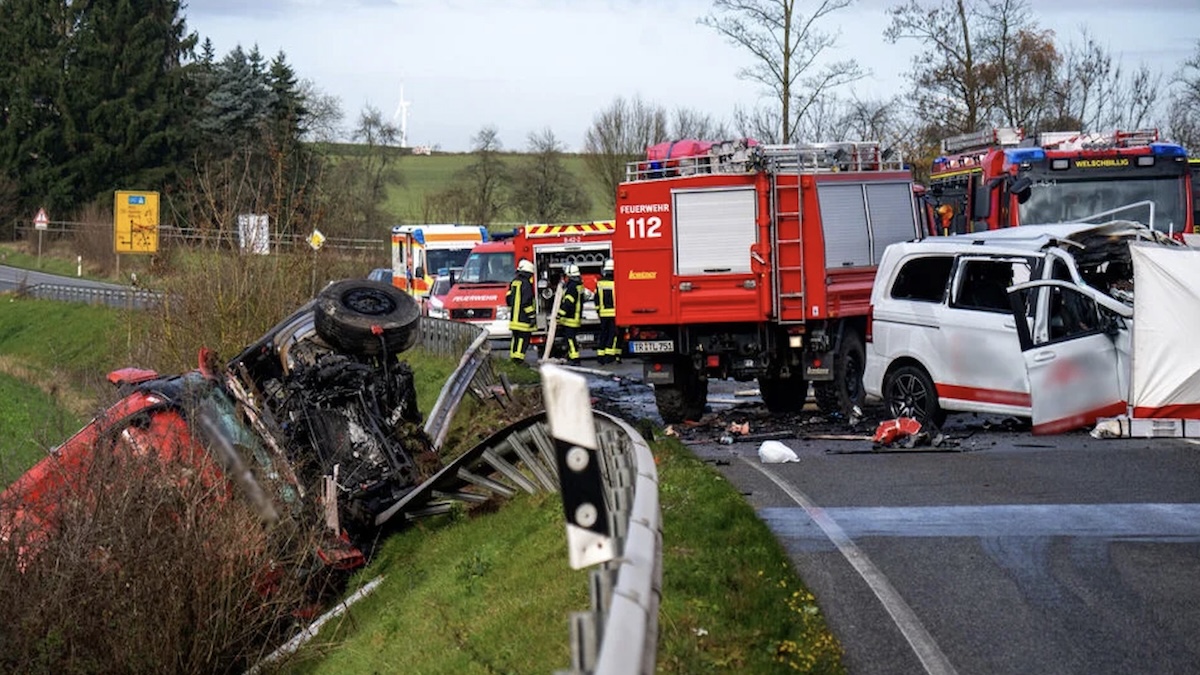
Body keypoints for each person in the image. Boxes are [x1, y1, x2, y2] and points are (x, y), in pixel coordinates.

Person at [556, 264, 589, 366]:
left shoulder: (572, 287)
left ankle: (575, 359)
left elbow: (568, 302)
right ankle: (571, 356)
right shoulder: (579, 285)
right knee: (570, 338)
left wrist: (560, 314)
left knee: (570, 339)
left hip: (570, 318)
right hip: (576, 317)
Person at [507, 258, 537, 364]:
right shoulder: (526, 284)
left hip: (514, 319)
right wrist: (532, 316)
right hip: (523, 319)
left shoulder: (514, 282)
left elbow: (508, 298)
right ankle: (519, 360)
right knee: (523, 339)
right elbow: (526, 302)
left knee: (515, 339)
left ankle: (513, 358)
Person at [595, 258, 619, 365]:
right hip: (614, 313)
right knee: (612, 334)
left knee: (603, 334)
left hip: (603, 313)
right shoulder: (617, 282)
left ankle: (600, 356)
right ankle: (609, 357)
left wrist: (598, 310)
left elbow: (596, 298)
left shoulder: (600, 283)